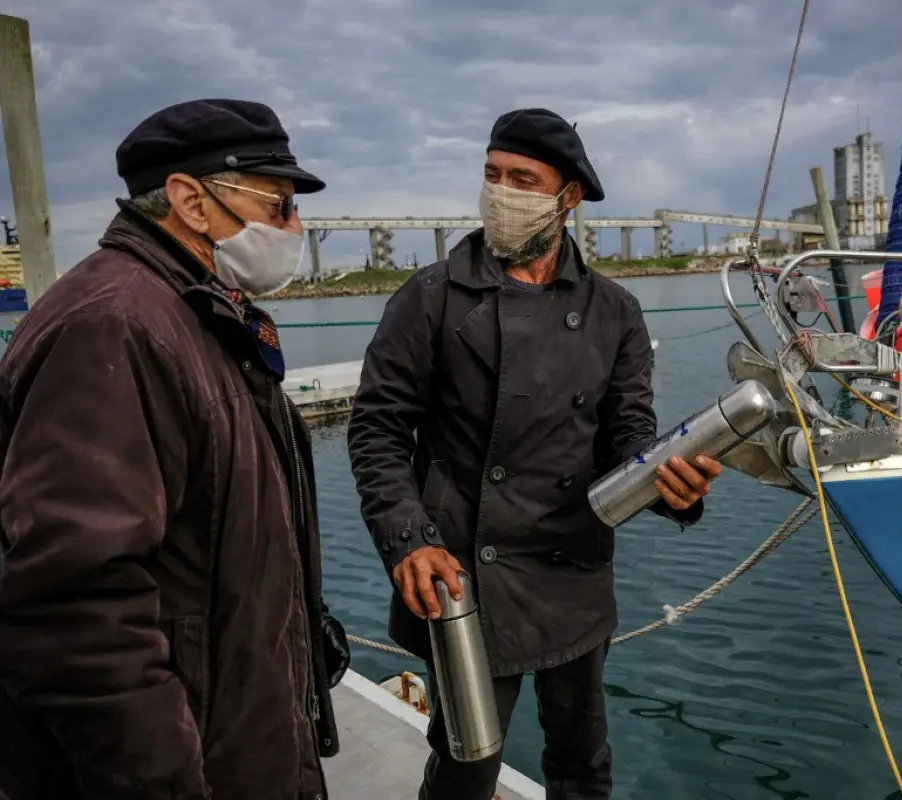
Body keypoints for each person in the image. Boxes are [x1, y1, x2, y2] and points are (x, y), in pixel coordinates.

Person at [348, 107, 722, 800]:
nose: (501, 191)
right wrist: (409, 541)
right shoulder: (429, 298)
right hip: (461, 575)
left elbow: (629, 437)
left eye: (523, 178)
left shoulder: (615, 312)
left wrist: (672, 484)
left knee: (583, 763)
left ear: (568, 196)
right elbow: (377, 429)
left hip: (572, 569)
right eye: (492, 174)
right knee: (466, 765)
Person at [0, 99, 350, 799]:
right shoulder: (116, 327)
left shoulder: (198, 313)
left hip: (240, 743)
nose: (295, 228)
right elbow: (77, 605)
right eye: (278, 206)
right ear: (191, 200)